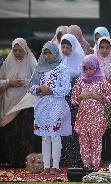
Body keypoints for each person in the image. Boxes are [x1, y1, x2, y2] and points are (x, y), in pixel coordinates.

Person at [29, 41, 72, 175]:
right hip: (41, 107)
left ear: (55, 53)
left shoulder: (62, 68)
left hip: (57, 106)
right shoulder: (39, 68)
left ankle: (56, 167)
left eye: (50, 53)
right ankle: (46, 167)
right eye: (45, 53)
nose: (47, 56)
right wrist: (39, 89)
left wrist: (50, 90)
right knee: (45, 136)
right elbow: (30, 87)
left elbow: (66, 89)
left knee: (55, 136)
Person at [0, 38, 39, 168]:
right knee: (11, 135)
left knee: (25, 135)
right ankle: (11, 161)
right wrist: (9, 82)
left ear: (25, 50)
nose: (17, 53)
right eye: (15, 50)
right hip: (9, 105)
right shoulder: (7, 63)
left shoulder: (32, 62)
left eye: (20, 50)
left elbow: (38, 81)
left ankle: (26, 162)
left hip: (26, 105)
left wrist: (26, 82)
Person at [71, 54, 111, 170]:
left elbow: (109, 97)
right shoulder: (80, 82)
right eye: (86, 69)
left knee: (96, 142)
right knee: (84, 142)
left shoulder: (102, 82)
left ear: (96, 68)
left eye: (91, 68)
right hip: (83, 117)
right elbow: (73, 100)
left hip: (97, 117)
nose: (88, 71)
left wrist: (97, 97)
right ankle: (86, 165)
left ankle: (95, 165)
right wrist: (81, 96)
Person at [59, 33, 85, 167]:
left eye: (68, 47)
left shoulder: (81, 59)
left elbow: (83, 78)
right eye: (63, 47)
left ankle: (74, 158)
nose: (65, 50)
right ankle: (62, 157)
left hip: (75, 99)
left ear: (73, 47)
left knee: (74, 127)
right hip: (61, 99)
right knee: (62, 126)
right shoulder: (59, 59)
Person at [96, 36, 111, 164]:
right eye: (101, 47)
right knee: (100, 129)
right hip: (98, 99)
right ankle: (98, 157)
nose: (104, 50)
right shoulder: (94, 60)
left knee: (110, 128)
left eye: (107, 47)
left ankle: (108, 157)